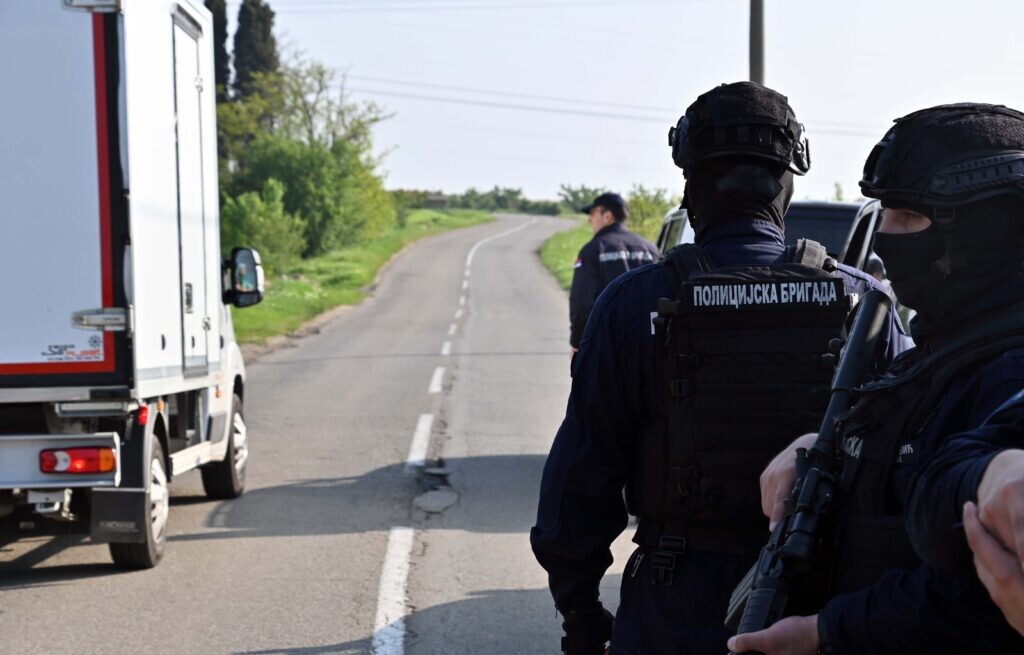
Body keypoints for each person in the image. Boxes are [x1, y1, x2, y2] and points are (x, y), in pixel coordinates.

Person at [530, 81, 907, 655]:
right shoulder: (865, 303)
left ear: (690, 185)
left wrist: (579, 611)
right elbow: (911, 470)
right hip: (822, 608)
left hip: (672, 605)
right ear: (787, 182)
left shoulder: (633, 303)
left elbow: (580, 479)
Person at [740, 103, 1024, 655]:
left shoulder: (1007, 369)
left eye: (910, 216)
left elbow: (981, 597)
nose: (885, 238)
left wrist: (824, 633)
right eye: (884, 212)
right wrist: (821, 450)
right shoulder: (940, 348)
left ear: (991, 229)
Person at [569, 193, 660, 351]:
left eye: (592, 214)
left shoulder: (593, 249)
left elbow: (582, 303)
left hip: (607, 345)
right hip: (648, 343)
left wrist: (578, 343)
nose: (590, 219)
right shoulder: (651, 248)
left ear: (607, 216)